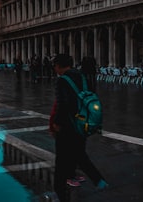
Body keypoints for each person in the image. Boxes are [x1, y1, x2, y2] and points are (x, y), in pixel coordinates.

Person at [49, 54, 107, 201]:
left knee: (61, 161)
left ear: (59, 65)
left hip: (68, 125)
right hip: (83, 123)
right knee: (79, 154)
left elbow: (63, 104)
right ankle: (98, 179)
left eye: (55, 66)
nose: (55, 69)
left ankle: (59, 193)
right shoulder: (82, 76)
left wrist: (56, 123)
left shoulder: (62, 80)